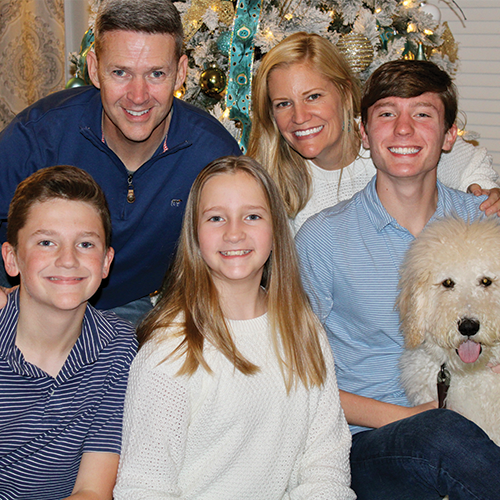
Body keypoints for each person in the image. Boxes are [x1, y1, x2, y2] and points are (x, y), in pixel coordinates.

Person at [295, 60, 500, 500]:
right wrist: (412, 417)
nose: (403, 130)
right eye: (387, 114)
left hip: (481, 436)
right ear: (365, 134)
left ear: (448, 136)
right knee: (442, 435)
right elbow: (295, 376)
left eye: (423, 114)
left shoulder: (484, 225)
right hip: (368, 444)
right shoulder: (323, 239)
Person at [113, 156, 355, 500]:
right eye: (216, 218)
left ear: (275, 229)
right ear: (195, 235)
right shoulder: (170, 351)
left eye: (252, 216)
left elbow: (325, 463)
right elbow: (144, 487)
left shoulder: (303, 329)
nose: (234, 232)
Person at [0, 0, 241, 324]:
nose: (138, 96)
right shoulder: (39, 136)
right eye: (120, 72)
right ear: (94, 69)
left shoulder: (211, 153)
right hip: (31, 296)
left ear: (181, 72)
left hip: (134, 306)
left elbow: (240, 247)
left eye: (156, 73)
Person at [248, 32, 500, 234]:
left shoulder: (390, 141)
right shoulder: (269, 178)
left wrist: (485, 190)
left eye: (313, 97)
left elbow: (471, 160)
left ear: (345, 94)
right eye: (283, 103)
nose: (300, 117)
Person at [0, 165, 137, 499]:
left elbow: (92, 490)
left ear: (106, 262)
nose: (67, 259)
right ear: (12, 258)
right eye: (46, 242)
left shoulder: (117, 349)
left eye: (86, 244)